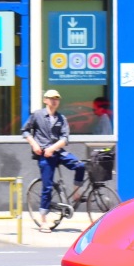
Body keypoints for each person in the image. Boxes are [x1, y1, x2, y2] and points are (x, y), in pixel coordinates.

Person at [21, 89, 87, 231]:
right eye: (51, 98)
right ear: (45, 100)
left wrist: (54, 148)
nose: (54, 101)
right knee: (48, 186)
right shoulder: (37, 115)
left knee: (80, 166)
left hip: (58, 151)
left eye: (57, 98)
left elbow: (65, 138)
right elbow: (25, 130)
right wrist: (34, 144)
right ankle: (43, 220)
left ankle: (76, 193)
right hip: (44, 154)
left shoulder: (61, 118)